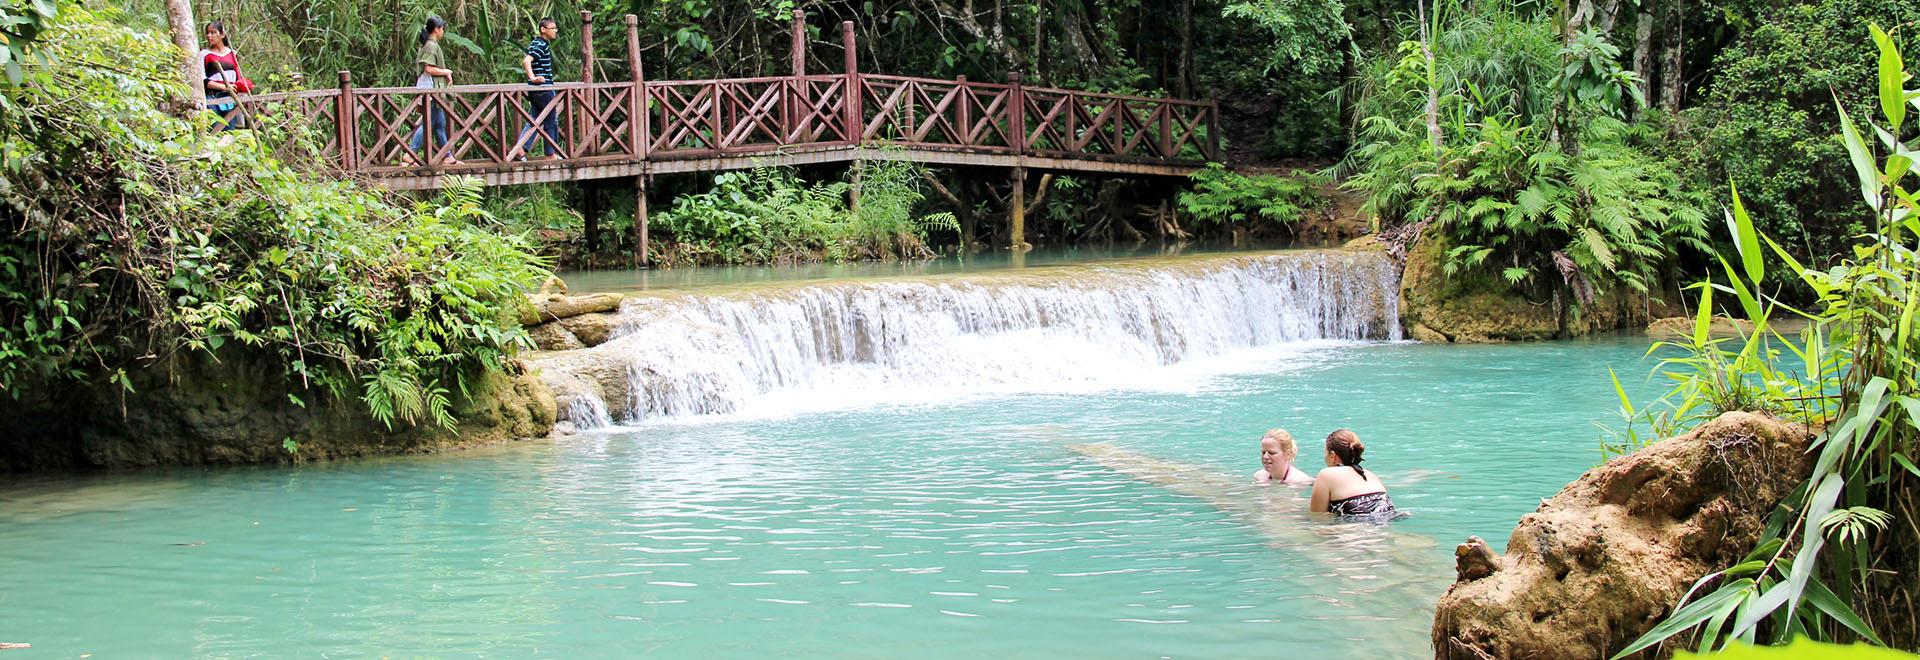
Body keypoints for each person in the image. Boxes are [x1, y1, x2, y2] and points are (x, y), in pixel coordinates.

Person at [1309, 429, 1403, 520]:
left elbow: (1318, 517)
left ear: (1333, 456)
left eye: (1325, 453)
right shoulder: (1371, 475)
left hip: (1354, 530)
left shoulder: (1326, 474)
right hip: (1384, 526)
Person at [406, 16, 459, 165]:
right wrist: (446, 72)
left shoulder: (428, 45)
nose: (443, 31)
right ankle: (410, 153)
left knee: (439, 124)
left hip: (429, 89)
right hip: (430, 90)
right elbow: (428, 68)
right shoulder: (431, 46)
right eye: (442, 28)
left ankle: (447, 156)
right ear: (436, 29)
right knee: (429, 123)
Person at [511, 18, 564, 161]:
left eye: (555, 28)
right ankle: (550, 154)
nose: (555, 31)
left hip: (535, 90)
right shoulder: (541, 44)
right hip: (543, 89)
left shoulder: (538, 43)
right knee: (551, 121)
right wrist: (533, 78)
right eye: (552, 28)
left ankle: (520, 149)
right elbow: (527, 61)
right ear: (543, 29)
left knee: (533, 119)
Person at [198, 22, 245, 130]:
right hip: (212, 97)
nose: (209, 36)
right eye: (208, 33)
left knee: (230, 131)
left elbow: (238, 77)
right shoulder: (204, 54)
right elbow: (202, 79)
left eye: (213, 32)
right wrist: (223, 87)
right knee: (215, 129)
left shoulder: (232, 53)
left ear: (222, 34)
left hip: (230, 97)